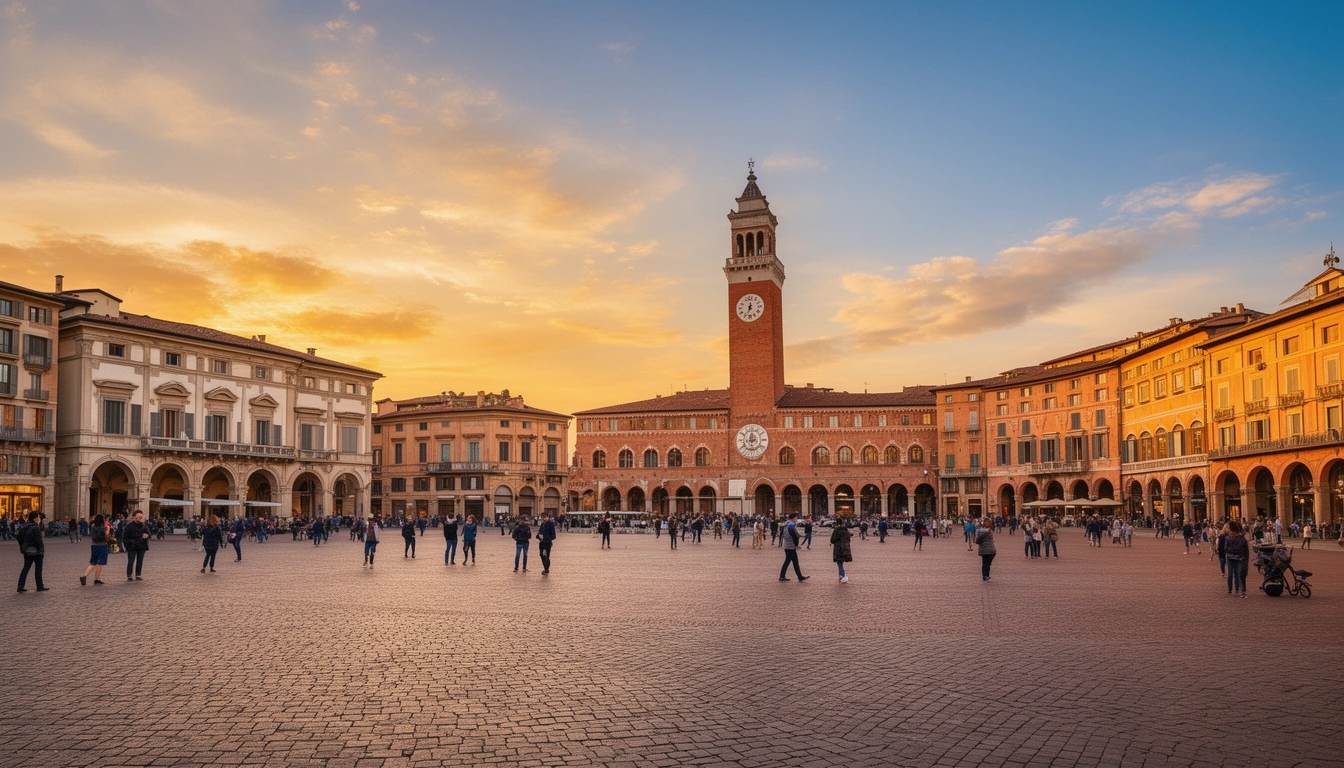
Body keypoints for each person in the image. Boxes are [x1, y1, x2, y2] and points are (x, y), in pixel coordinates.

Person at [16, 511, 47, 593]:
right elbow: (38, 540)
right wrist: (41, 550)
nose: (39, 519)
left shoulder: (23, 527)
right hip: (36, 551)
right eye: (38, 518)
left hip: (27, 551)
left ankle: (20, 585)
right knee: (38, 569)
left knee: (25, 568)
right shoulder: (36, 528)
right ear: (35, 518)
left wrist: (23, 546)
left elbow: (19, 538)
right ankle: (39, 586)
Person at [778, 513, 808, 582]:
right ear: (793, 518)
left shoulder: (786, 525)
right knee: (794, 562)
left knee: (788, 562)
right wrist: (796, 542)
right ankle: (799, 576)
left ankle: (783, 576)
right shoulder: (790, 526)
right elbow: (793, 535)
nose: (796, 519)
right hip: (790, 546)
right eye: (796, 518)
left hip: (788, 546)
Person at [81, 514, 110, 586]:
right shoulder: (104, 528)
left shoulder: (93, 527)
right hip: (102, 546)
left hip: (94, 546)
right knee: (100, 563)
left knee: (93, 562)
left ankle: (85, 576)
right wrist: (108, 530)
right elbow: (106, 537)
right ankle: (96, 579)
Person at [1224, 520, 1249, 598]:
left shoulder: (1229, 538)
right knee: (1238, 574)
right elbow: (1245, 550)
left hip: (1234, 557)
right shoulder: (1241, 538)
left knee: (1234, 574)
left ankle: (1236, 589)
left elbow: (1225, 548)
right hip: (1238, 557)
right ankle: (1237, 590)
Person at [123, 511, 150, 581]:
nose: (140, 518)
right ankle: (129, 575)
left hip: (142, 546)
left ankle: (138, 574)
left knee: (140, 561)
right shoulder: (129, 526)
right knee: (131, 561)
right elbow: (125, 537)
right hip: (132, 546)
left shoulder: (144, 525)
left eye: (141, 516)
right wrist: (128, 544)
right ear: (134, 517)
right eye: (138, 516)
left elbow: (148, 533)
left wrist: (147, 535)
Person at [830, 517, 852, 583]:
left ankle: (842, 575)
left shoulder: (836, 530)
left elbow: (832, 539)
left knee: (839, 561)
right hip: (846, 547)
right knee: (841, 561)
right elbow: (849, 538)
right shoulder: (845, 530)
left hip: (838, 547)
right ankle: (840, 574)